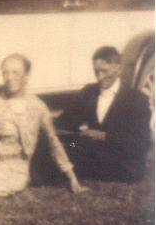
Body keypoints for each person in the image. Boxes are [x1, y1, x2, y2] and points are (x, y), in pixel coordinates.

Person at [0, 54, 85, 199]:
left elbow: (54, 143)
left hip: (15, 169)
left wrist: (73, 179)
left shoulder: (38, 107)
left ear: (26, 76)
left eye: (15, 72)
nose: (9, 77)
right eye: (5, 73)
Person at [55, 46, 151, 183]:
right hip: (91, 152)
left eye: (105, 71)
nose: (100, 77)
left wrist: (104, 136)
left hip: (123, 162)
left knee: (81, 146)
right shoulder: (89, 92)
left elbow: (141, 143)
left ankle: (56, 172)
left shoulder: (136, 99)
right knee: (71, 145)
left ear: (119, 69)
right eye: (96, 71)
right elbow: (66, 121)